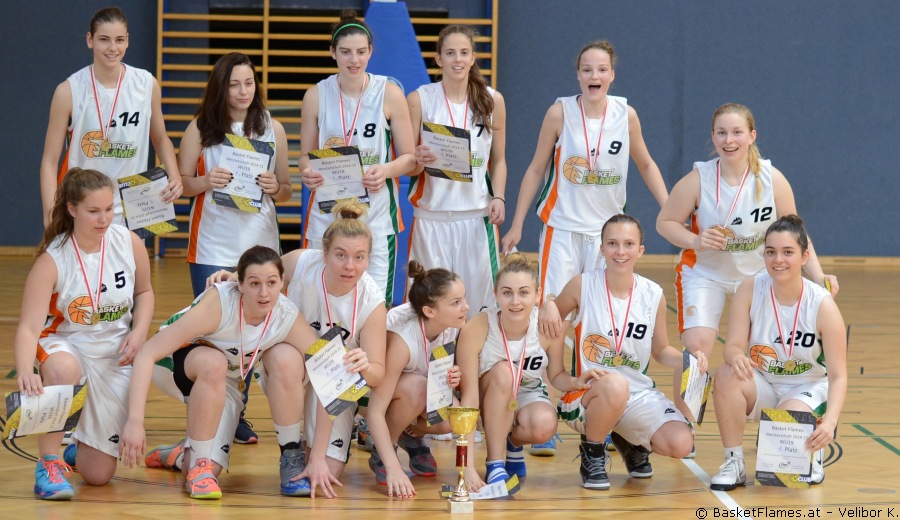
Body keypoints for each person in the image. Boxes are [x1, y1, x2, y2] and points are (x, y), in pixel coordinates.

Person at [656, 103, 838, 423]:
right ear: (713, 137)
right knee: (697, 349)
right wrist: (695, 240)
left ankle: (781, 414)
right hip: (706, 273)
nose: (729, 140)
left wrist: (819, 275)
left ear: (752, 136)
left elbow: (796, 232)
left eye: (737, 132)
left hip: (756, 275)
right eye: (722, 133)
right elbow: (665, 223)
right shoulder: (698, 179)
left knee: (762, 350)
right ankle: (685, 426)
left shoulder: (771, 179)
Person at [206, 200, 385, 497]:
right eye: (340, 255)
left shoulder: (372, 301)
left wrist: (364, 365)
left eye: (359, 257)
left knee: (326, 473)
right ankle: (290, 453)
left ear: (368, 259)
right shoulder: (302, 262)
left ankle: (314, 448)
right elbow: (264, 274)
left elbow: (377, 375)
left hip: (336, 383)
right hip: (292, 366)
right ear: (324, 253)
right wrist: (234, 276)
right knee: (283, 356)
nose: (349, 266)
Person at [121, 246, 327, 500]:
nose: (264, 293)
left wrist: (360, 363)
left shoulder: (286, 315)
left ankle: (183, 456)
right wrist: (135, 422)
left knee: (209, 471)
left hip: (224, 380)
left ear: (282, 282)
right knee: (214, 362)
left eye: (271, 283)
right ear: (240, 284)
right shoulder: (220, 304)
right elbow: (146, 354)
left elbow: (328, 367)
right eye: (254, 283)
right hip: (174, 365)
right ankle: (198, 461)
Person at [14, 168, 153, 500]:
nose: (104, 219)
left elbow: (145, 292)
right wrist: (24, 370)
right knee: (63, 370)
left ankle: (82, 443)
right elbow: (29, 327)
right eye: (94, 211)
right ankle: (48, 463)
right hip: (67, 343)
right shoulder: (54, 259)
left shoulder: (129, 242)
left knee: (98, 476)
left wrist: (139, 332)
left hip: (114, 355)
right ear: (72, 209)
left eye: (109, 209)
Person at [179, 51, 293, 443]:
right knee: (213, 335)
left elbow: (287, 188)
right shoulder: (200, 128)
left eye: (248, 83)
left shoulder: (273, 128)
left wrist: (275, 187)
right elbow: (182, 184)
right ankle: (211, 410)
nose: (243, 91)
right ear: (221, 87)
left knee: (253, 337)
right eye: (234, 84)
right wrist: (205, 181)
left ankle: (238, 413)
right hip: (211, 245)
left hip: (260, 248)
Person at [540, 214, 702, 490]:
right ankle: (593, 453)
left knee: (681, 443)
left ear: (640, 250)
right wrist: (548, 305)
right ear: (602, 248)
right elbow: (552, 317)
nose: (620, 251)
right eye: (612, 243)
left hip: (636, 394)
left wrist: (689, 359)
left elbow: (661, 351)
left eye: (628, 244)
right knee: (615, 384)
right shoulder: (583, 285)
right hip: (587, 394)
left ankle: (631, 441)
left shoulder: (653, 294)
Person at [501, 40, 667, 308]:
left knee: (597, 317)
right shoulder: (559, 113)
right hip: (562, 229)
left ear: (612, 75)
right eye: (587, 70)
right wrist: (517, 224)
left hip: (606, 234)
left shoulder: (626, 116)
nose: (594, 76)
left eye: (602, 70)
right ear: (578, 75)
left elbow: (647, 164)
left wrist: (669, 209)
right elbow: (536, 169)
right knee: (553, 315)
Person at [709, 215, 847, 490]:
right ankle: (734, 462)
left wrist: (830, 422)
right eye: (771, 252)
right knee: (726, 374)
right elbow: (732, 346)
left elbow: (838, 375)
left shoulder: (821, 305)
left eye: (788, 252)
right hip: (764, 383)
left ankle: (812, 446)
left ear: (805, 257)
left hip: (806, 389)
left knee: (782, 463)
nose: (778, 259)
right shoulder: (751, 288)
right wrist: (736, 357)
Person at [300, 9, 416, 304]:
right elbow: (305, 157)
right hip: (327, 212)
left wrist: (385, 170)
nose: (354, 60)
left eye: (361, 52)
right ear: (333, 52)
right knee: (319, 300)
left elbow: (410, 158)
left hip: (376, 213)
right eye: (346, 52)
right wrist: (307, 172)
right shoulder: (316, 95)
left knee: (374, 302)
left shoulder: (389, 93)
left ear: (370, 52)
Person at [40, 6, 182, 228]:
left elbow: (161, 138)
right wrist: (49, 214)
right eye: (104, 39)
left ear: (128, 41)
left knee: (133, 254)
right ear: (90, 40)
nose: (113, 48)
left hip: (134, 206)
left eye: (119, 40)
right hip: (84, 206)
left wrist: (174, 175)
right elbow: (49, 161)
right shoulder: (69, 91)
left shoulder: (146, 84)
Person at [406, 24, 507, 317]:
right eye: (450, 53)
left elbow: (499, 160)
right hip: (432, 218)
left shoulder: (492, 100)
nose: (457, 59)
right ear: (439, 58)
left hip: (476, 219)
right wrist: (418, 159)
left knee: (480, 309)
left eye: (464, 52)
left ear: (473, 57)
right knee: (427, 307)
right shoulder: (420, 99)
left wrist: (499, 197)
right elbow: (409, 166)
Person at [456, 253, 559, 492]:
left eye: (524, 293)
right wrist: (466, 465)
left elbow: (555, 377)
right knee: (505, 371)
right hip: (487, 397)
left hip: (526, 394)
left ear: (537, 295)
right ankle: (495, 463)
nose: (515, 301)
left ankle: (513, 442)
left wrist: (576, 381)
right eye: (507, 293)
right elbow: (469, 396)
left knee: (544, 424)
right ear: (495, 293)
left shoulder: (546, 325)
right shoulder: (478, 326)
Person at [366, 261, 466, 497]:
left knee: (451, 419)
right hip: (369, 396)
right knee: (418, 388)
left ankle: (410, 436)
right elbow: (375, 410)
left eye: (463, 298)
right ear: (430, 312)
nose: (466, 306)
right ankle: (384, 451)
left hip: (412, 393)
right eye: (456, 302)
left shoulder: (451, 323)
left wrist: (455, 375)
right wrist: (394, 468)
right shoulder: (402, 339)